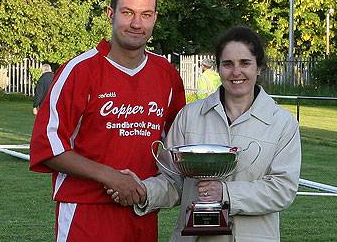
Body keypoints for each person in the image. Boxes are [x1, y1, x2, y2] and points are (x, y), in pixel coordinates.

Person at [29, 0, 185, 242]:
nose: (137, 23)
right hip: (86, 213)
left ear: (155, 18)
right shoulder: (79, 71)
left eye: (146, 14)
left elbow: (177, 142)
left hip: (142, 211)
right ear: (110, 14)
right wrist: (111, 177)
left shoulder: (166, 74)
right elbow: (47, 147)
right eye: (127, 13)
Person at [115, 26, 301, 242]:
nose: (236, 72)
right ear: (219, 68)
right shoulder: (190, 116)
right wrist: (143, 190)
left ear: (259, 67)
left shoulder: (283, 123)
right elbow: (172, 181)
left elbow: (282, 189)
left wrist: (226, 193)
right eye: (228, 64)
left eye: (245, 63)